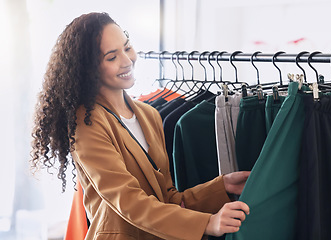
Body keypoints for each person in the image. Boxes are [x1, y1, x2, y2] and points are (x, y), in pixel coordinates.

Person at [30, 12, 250, 240]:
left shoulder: (149, 114)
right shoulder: (86, 122)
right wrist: (207, 223)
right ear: (89, 69)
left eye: (127, 48)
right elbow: (127, 200)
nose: (127, 61)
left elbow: (167, 198)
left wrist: (220, 187)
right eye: (111, 57)